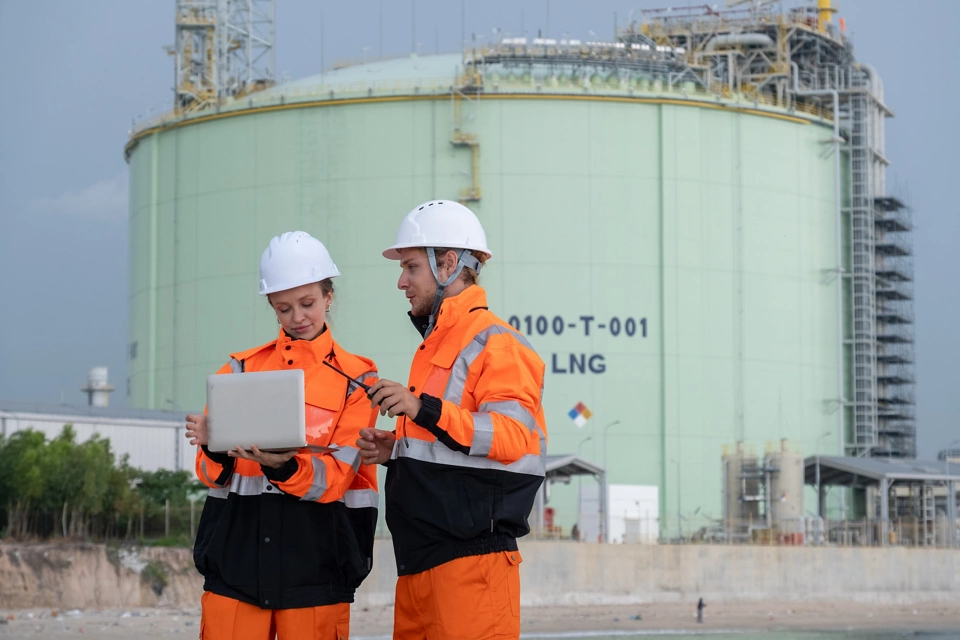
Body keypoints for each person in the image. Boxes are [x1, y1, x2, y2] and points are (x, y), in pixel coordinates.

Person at [356, 200, 548, 640]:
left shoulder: (498, 343)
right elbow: (450, 442)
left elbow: (511, 435)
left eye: (410, 268)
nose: (401, 282)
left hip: (473, 569)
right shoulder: (433, 346)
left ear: (448, 264)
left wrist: (420, 407)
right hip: (420, 568)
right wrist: (395, 451)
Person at [185, 231, 379, 640]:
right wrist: (211, 447)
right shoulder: (238, 371)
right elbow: (209, 475)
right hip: (235, 563)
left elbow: (338, 477)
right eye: (283, 308)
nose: (297, 317)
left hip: (317, 564)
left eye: (307, 303)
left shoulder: (357, 381)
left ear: (329, 296)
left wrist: (286, 466)